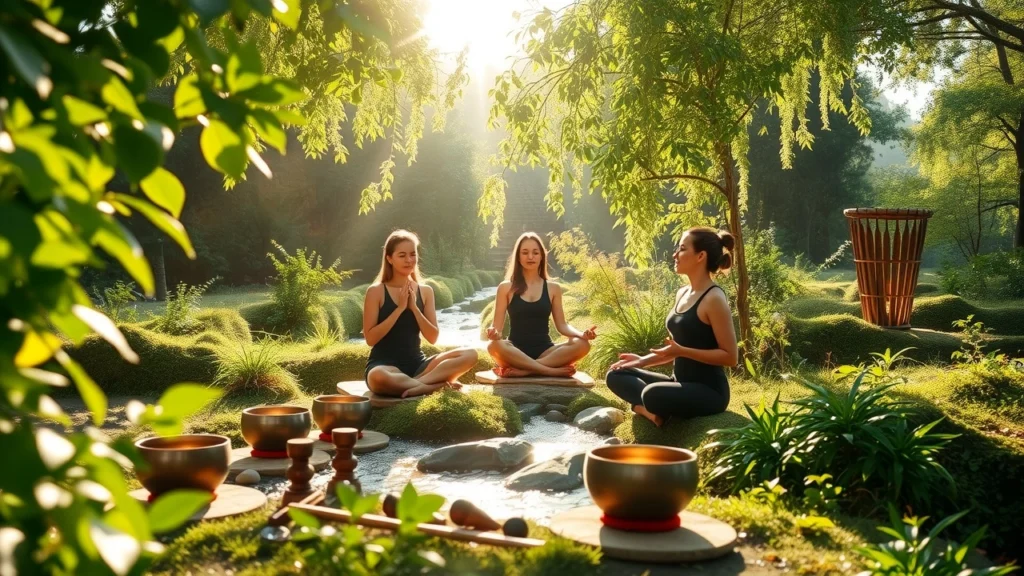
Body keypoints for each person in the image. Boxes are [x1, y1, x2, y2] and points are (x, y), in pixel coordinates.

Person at [605, 227, 738, 426]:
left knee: (652, 394)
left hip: (709, 391)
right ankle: (652, 412)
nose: (675, 254)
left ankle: (641, 407)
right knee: (616, 373)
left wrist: (682, 351)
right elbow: (674, 349)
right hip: (679, 382)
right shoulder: (682, 293)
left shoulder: (714, 298)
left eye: (682, 249)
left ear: (701, 256)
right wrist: (641, 361)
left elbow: (730, 357)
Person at [363, 230, 477, 398]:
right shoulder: (376, 292)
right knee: (378, 377)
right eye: (402, 255)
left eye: (412, 254)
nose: (409, 260)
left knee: (470, 354)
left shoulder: (425, 291)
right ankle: (432, 386)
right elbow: (370, 339)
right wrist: (400, 309)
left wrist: (414, 309)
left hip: (419, 365)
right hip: (384, 365)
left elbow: (432, 337)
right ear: (389, 258)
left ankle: (419, 385)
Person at [486, 232, 596, 377]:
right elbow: (497, 328)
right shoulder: (506, 287)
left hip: (546, 351)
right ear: (518, 256)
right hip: (514, 351)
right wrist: (494, 333)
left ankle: (525, 371)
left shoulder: (553, 288)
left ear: (542, 256)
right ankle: (548, 370)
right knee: (493, 345)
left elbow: (562, 326)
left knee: (582, 344)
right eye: (525, 253)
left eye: (535, 253)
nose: (530, 257)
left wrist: (582, 334)